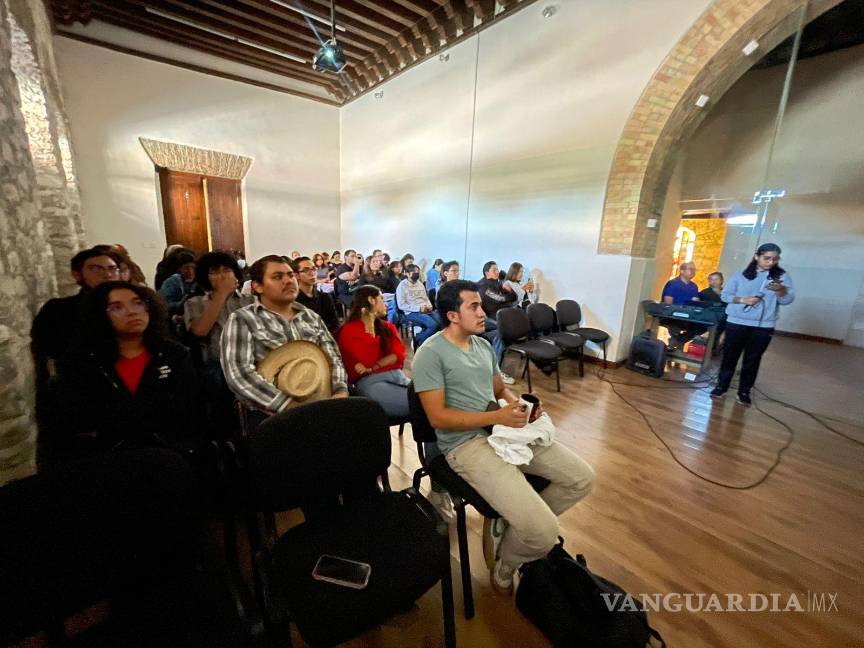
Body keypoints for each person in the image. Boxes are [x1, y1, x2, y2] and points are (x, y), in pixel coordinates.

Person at [413, 280, 594, 593]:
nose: (483, 312)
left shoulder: (482, 345)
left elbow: (498, 389)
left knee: (582, 478)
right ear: (452, 315)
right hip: (464, 445)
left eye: (481, 305)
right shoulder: (430, 354)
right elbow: (437, 417)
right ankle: (506, 564)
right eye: (474, 306)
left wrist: (518, 406)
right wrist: (496, 416)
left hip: (500, 431)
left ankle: (515, 527)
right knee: (544, 533)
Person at [39, 281, 202, 471]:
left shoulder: (173, 354)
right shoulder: (83, 361)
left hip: (169, 456)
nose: (132, 312)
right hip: (108, 461)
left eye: (138, 303)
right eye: (117, 307)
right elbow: (77, 418)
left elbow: (190, 408)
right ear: (100, 315)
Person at [221, 255, 348, 418]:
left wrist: (340, 391)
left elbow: (333, 358)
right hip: (270, 413)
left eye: (290, 275)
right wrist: (288, 406)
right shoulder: (243, 319)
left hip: (321, 400)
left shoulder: (310, 317)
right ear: (258, 286)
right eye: (277, 277)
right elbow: (239, 374)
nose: (288, 281)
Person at [711, 243, 795, 405]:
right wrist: (743, 300)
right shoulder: (740, 275)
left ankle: (744, 391)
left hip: (763, 326)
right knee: (730, 356)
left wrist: (780, 290)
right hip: (736, 322)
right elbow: (725, 296)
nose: (770, 262)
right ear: (757, 257)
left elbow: (787, 300)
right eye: (766, 258)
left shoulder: (782, 277)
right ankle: (722, 386)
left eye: (774, 259)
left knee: (753, 359)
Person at [31, 247, 122, 394]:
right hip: (83, 388)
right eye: (96, 269)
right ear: (77, 274)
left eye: (113, 269)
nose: (107, 274)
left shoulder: (137, 307)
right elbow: (51, 348)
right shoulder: (59, 309)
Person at [337, 286, 409, 418]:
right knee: (424, 405)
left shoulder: (387, 326)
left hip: (399, 378)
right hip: (372, 383)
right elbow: (366, 361)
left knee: (432, 398)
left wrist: (375, 366)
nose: (385, 303)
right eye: (381, 298)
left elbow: (399, 355)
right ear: (371, 300)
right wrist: (369, 328)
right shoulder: (349, 331)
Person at [476, 261, 516, 383]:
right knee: (502, 332)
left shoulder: (498, 283)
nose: (498, 272)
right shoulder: (483, 286)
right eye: (494, 270)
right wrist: (507, 295)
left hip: (502, 318)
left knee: (505, 332)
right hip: (491, 319)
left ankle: (494, 369)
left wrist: (509, 293)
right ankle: (495, 371)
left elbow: (512, 298)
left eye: (498, 269)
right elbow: (501, 298)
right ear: (487, 272)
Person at [660, 261, 706, 350]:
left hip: (688, 316)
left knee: (702, 326)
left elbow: (695, 302)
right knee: (675, 325)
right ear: (682, 271)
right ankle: (676, 344)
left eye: (694, 269)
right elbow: (668, 303)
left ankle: (679, 341)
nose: (693, 271)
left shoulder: (694, 286)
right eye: (690, 269)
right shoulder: (673, 284)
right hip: (672, 315)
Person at [292, 256, 340, 334]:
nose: (312, 273)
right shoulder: (293, 301)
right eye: (306, 270)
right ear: (296, 275)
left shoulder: (325, 297)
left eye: (314, 269)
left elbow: (335, 325)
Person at [396, 264, 441, 347]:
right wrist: (419, 308)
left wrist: (429, 305)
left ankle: (430, 342)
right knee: (433, 325)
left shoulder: (420, 284)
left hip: (426, 309)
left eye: (418, 272)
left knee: (441, 323)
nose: (416, 274)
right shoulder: (402, 286)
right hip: (412, 312)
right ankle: (419, 340)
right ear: (407, 274)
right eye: (414, 272)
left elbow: (425, 298)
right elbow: (401, 305)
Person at [158, 250, 197, 315]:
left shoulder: (199, 281)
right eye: (186, 268)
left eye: (193, 268)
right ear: (179, 269)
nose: (190, 272)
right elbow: (162, 304)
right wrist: (183, 303)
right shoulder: (172, 282)